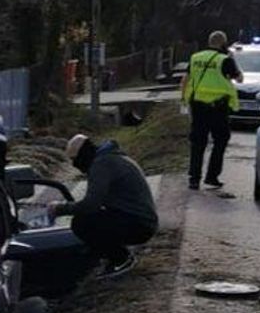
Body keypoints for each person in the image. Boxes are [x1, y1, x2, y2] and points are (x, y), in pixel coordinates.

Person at [48, 134, 159, 277]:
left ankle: (121, 259)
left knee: (82, 223)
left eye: (75, 160)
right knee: (94, 219)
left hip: (139, 225)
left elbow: (90, 205)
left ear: (83, 155)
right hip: (143, 220)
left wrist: (60, 208)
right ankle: (105, 255)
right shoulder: (111, 158)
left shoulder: (102, 165)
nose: (76, 166)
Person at [181, 30, 242, 190]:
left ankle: (194, 179)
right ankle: (212, 176)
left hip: (198, 106)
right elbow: (239, 78)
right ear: (223, 43)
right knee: (220, 140)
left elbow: (186, 80)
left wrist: (183, 100)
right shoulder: (225, 60)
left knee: (197, 143)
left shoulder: (196, 57)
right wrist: (233, 60)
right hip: (218, 108)